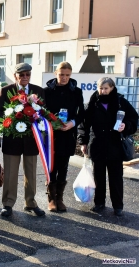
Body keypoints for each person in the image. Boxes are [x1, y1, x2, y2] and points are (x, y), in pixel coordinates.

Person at [78, 77, 138, 216]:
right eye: (100, 88)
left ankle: (118, 206)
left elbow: (134, 118)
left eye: (106, 88)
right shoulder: (92, 103)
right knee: (98, 176)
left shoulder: (120, 102)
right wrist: (83, 142)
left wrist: (126, 126)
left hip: (115, 145)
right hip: (97, 144)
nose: (103, 91)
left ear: (112, 88)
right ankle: (99, 203)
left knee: (116, 177)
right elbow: (84, 125)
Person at [0, 62, 46, 217]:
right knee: (10, 173)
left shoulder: (38, 91)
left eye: (27, 74)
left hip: (31, 139)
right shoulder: (6, 91)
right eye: (21, 74)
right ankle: (8, 203)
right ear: (15, 76)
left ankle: (30, 202)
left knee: (30, 172)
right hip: (12, 139)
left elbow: (43, 113)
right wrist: (9, 121)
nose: (25, 77)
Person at [43, 62, 84, 212]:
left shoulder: (76, 92)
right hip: (51, 135)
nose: (64, 78)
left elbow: (81, 114)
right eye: (61, 74)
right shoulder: (46, 91)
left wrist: (72, 123)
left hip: (68, 134)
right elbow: (42, 112)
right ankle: (51, 199)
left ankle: (60, 198)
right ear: (55, 74)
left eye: (67, 75)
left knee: (64, 167)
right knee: (51, 167)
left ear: (71, 75)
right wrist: (52, 124)